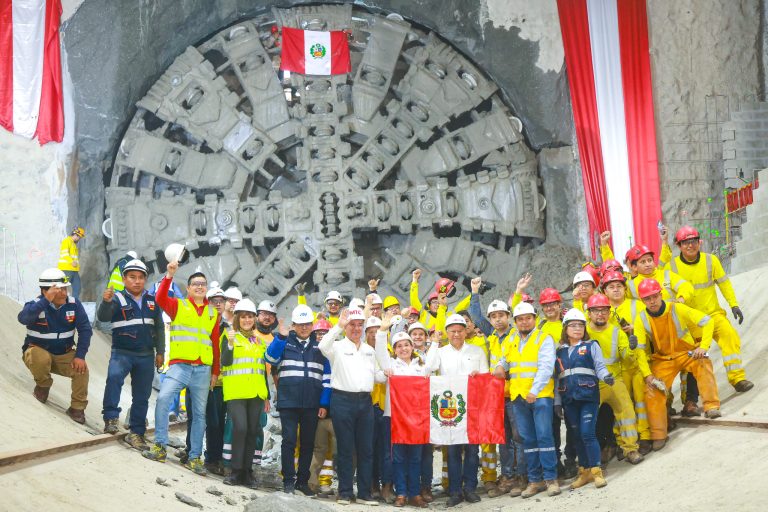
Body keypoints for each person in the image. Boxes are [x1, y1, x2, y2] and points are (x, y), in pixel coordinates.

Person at [142, 260, 221, 476]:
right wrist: (169, 274)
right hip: (179, 366)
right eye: (195, 283)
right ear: (188, 288)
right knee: (163, 399)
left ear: (206, 288)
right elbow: (159, 298)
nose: (199, 286)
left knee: (199, 414)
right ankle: (160, 446)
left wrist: (215, 371)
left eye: (202, 284)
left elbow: (215, 343)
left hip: (203, 369)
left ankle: (195, 457)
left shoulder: (213, 313)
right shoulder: (179, 305)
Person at [636, 279, 721, 451]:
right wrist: (647, 374)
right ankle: (659, 434)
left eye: (654, 296)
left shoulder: (677, 308)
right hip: (662, 359)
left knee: (703, 361)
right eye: (647, 299)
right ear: (642, 301)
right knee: (652, 391)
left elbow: (707, 321)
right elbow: (638, 349)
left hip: (685, 352)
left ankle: (711, 406)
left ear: (660, 294)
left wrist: (703, 346)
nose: (652, 301)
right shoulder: (641, 319)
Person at [665, 226, 753, 392]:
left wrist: (733, 304)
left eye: (693, 241)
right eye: (685, 243)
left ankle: (737, 378)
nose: (690, 245)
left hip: (713, 315)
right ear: (679, 246)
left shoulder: (711, 260)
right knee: (690, 359)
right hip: (690, 322)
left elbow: (724, 283)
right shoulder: (672, 267)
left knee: (729, 335)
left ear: (699, 242)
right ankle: (689, 399)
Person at [494, 302, 560, 499]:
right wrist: (499, 366)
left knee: (545, 437)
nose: (524, 322)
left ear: (535, 318)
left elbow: (547, 367)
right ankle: (534, 480)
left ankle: (551, 479)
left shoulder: (543, 338)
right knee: (528, 440)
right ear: (515, 322)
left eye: (528, 318)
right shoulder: (512, 339)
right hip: (518, 397)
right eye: (520, 319)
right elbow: (504, 359)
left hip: (539, 397)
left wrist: (535, 389)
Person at [97, 259, 164, 449]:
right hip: (122, 352)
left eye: (141, 278)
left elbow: (159, 328)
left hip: (146, 355)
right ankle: (110, 418)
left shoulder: (152, 301)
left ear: (145, 280)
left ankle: (136, 433)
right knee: (114, 379)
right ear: (125, 279)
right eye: (132, 277)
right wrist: (106, 302)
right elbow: (103, 317)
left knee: (142, 396)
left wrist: (160, 352)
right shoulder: (117, 299)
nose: (137, 281)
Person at [319, 307, 382, 506]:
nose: (356, 328)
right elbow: (322, 345)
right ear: (346, 327)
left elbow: (377, 375)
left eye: (359, 325)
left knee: (366, 449)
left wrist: (389, 373)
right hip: (342, 400)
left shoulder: (369, 351)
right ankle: (345, 492)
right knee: (345, 448)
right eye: (352, 325)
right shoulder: (336, 347)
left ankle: (364, 494)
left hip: (365, 402)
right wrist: (337, 326)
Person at [468, 277, 523, 498]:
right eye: (494, 316)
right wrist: (474, 292)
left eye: (501, 315)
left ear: (508, 317)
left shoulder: (516, 334)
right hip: (497, 396)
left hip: (515, 392)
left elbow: (519, 310)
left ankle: (521, 476)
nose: (498, 320)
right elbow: (475, 316)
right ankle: (507, 477)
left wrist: (518, 292)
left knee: (519, 438)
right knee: (503, 439)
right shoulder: (491, 336)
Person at [429, 313, 489, 507]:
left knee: (472, 449)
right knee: (453, 450)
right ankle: (455, 491)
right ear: (447, 332)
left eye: (460, 330)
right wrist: (434, 344)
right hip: (451, 410)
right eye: (452, 331)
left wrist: (478, 375)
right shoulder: (440, 352)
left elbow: (486, 376)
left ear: (466, 331)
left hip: (472, 406)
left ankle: (470, 488)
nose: (456, 334)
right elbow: (429, 369)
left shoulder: (477, 351)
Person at [17, 268, 92, 424]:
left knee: (81, 370)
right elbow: (23, 318)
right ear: (45, 291)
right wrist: (46, 301)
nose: (64, 293)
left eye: (65, 289)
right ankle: (43, 386)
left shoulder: (73, 304)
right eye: (59, 290)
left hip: (63, 354)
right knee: (40, 357)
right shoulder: (35, 305)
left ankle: (77, 408)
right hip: (37, 352)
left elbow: (85, 330)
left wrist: (80, 356)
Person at [265, 304, 326, 495]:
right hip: (289, 401)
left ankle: (302, 482)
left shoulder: (319, 346)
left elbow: (327, 375)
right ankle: (288, 482)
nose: (304, 327)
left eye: (307, 324)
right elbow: (270, 358)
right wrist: (281, 337)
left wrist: (323, 402)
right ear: (294, 325)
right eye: (300, 324)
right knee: (289, 441)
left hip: (311, 402)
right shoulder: (284, 342)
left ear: (312, 325)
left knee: (307, 443)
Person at [375, 324, 435, 508]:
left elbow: (433, 364)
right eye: (399, 346)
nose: (403, 349)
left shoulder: (421, 366)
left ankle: (414, 494)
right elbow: (378, 376)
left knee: (416, 457)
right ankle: (401, 493)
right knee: (398, 458)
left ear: (412, 346)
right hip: (394, 418)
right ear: (394, 350)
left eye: (406, 345)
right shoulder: (391, 366)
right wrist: (382, 332)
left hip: (417, 420)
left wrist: (436, 343)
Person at [555, 309, 613, 489]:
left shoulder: (590, 346)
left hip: (588, 397)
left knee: (587, 433)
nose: (577, 328)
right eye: (573, 325)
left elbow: (600, 367)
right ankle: (584, 472)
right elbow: (557, 378)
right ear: (566, 328)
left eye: (580, 325)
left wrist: (606, 377)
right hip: (569, 399)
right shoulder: (560, 352)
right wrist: (557, 402)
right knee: (577, 435)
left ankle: (596, 472)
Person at [585, 293, 644, 465]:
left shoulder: (616, 331)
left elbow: (626, 356)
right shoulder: (583, 332)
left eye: (604, 310)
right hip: (590, 383)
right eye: (596, 310)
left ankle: (631, 449)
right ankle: (588, 461)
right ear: (589, 313)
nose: (600, 314)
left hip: (614, 379)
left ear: (609, 312)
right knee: (586, 419)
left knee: (626, 411)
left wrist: (631, 348)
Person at [600, 270, 653, 454]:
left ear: (625, 288)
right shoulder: (603, 311)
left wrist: (635, 331)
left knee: (640, 402)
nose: (616, 290)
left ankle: (645, 437)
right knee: (621, 407)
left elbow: (650, 330)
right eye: (611, 287)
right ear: (604, 291)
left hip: (637, 362)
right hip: (617, 368)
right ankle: (623, 441)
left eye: (619, 286)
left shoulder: (637, 306)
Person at [220, 298, 269, 488]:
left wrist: (267, 395)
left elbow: (261, 369)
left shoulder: (259, 341)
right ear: (238, 318)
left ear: (254, 319)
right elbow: (225, 361)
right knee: (240, 429)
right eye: (244, 317)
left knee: (252, 431)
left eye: (250, 317)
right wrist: (230, 344)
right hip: (236, 392)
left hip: (256, 393)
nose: (247, 320)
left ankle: (248, 472)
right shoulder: (230, 336)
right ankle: (235, 471)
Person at [537, 287, 578, 478]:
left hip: (568, 379)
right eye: (546, 305)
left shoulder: (567, 325)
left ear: (559, 304)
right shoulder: (540, 327)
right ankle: (556, 462)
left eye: (553, 304)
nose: (550, 308)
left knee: (572, 423)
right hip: (549, 382)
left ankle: (571, 460)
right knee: (552, 425)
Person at [366, 315, 394, 503]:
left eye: (379, 332)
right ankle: (372, 484)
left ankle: (387, 486)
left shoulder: (391, 352)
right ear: (365, 334)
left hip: (387, 407)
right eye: (371, 332)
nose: (375, 335)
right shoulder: (362, 352)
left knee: (387, 450)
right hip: (368, 406)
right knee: (369, 449)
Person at [308, 319, 336, 496]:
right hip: (313, 408)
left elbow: (328, 383)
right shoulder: (311, 352)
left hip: (330, 409)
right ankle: (310, 482)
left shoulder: (333, 354)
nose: (321, 336)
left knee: (330, 449)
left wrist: (324, 404)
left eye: (324, 333)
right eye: (318, 333)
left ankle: (323, 482)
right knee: (317, 447)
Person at [57, 227, 85, 300]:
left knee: (77, 287)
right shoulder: (66, 241)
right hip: (66, 270)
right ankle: (57, 305)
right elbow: (64, 254)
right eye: (80, 237)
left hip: (74, 270)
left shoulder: (73, 244)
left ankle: (74, 304)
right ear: (76, 235)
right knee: (61, 288)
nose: (79, 239)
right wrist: (71, 262)